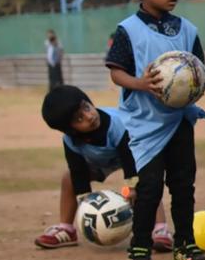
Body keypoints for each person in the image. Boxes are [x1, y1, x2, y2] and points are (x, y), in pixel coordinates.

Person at [105, 0, 205, 260]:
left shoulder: (187, 30)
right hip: (143, 126)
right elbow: (115, 71)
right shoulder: (128, 30)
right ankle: (140, 247)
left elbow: (198, 69)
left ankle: (186, 245)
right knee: (148, 188)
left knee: (183, 185)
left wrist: (197, 86)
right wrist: (139, 83)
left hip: (179, 122)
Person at [37, 85, 171, 251]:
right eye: (80, 119)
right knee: (69, 177)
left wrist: (131, 188)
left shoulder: (118, 124)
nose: (89, 116)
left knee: (145, 181)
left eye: (87, 107)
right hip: (103, 161)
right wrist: (86, 206)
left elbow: (130, 161)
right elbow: (78, 173)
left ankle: (159, 230)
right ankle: (66, 229)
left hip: (134, 155)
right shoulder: (70, 141)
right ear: (71, 130)